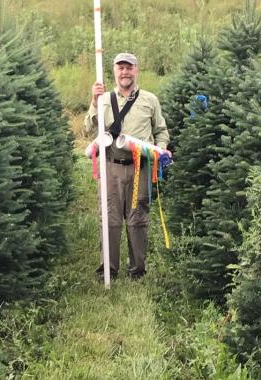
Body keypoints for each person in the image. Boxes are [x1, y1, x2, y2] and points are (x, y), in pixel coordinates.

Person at [84, 52, 170, 280]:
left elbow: (161, 131)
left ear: (136, 70)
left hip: (139, 168)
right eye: (120, 68)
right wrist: (94, 101)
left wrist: (160, 150)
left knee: (138, 218)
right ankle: (108, 270)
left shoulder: (149, 100)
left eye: (129, 67)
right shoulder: (103, 99)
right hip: (111, 167)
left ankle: (137, 271)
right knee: (109, 218)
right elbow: (87, 129)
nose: (125, 72)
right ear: (114, 71)